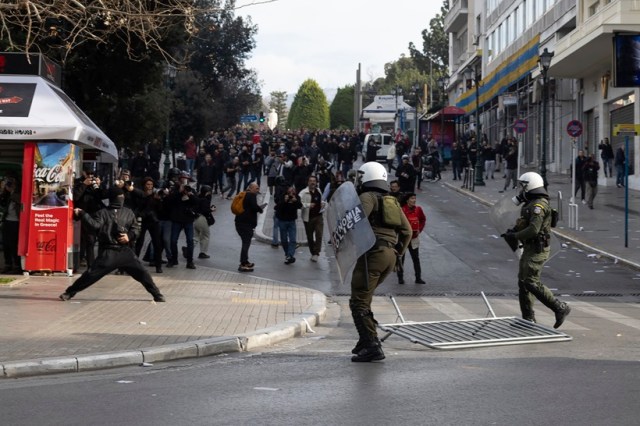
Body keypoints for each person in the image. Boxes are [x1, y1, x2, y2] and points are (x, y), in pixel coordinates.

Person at [350, 162, 412, 362]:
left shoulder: (367, 197)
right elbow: (408, 231)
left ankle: (372, 344)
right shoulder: (391, 200)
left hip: (373, 254)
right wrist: (398, 253)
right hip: (389, 255)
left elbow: (358, 220)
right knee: (364, 299)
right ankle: (365, 339)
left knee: (359, 301)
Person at [59, 188, 165, 302]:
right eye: (119, 196)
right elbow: (94, 225)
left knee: (142, 273)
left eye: (122, 196)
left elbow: (136, 229)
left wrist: (129, 236)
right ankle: (69, 292)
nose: (121, 198)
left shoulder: (128, 212)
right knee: (90, 275)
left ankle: (157, 294)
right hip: (108, 251)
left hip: (125, 251)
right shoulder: (103, 213)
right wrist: (83, 214)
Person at [502, 172, 571, 328]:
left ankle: (560, 308)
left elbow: (534, 229)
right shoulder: (531, 203)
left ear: (531, 185)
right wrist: (512, 232)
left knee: (531, 282)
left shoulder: (538, 206)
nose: (522, 190)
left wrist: (515, 236)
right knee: (523, 282)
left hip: (537, 248)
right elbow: (525, 223)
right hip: (529, 247)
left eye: (524, 186)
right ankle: (527, 319)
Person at [396, 193, 426, 285]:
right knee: (401, 258)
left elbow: (423, 219)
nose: (414, 200)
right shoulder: (402, 210)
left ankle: (418, 277)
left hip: (414, 238)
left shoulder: (418, 209)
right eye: (412, 198)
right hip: (403, 238)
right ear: (407, 200)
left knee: (416, 258)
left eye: (415, 198)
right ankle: (400, 278)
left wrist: (419, 230)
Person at [235, 181, 265, 272]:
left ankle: (245, 261)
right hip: (245, 225)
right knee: (246, 243)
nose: (258, 190)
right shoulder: (251, 196)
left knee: (246, 243)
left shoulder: (245, 195)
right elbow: (254, 207)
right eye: (256, 188)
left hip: (241, 223)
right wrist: (260, 209)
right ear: (251, 188)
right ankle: (243, 263)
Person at [299, 175, 325, 262]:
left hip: (318, 216)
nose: (312, 182)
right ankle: (313, 252)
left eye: (314, 181)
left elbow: (321, 200)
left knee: (319, 234)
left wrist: (322, 204)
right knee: (310, 237)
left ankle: (317, 253)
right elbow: (299, 204)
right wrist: (308, 205)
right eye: (311, 181)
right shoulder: (303, 192)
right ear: (308, 182)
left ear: (316, 182)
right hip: (308, 218)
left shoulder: (319, 191)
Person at [274, 185, 302, 264]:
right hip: (282, 221)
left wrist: (295, 201)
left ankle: (290, 255)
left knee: (293, 239)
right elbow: (277, 207)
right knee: (284, 240)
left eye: (293, 191)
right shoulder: (283, 196)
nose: (291, 193)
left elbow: (300, 206)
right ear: (287, 191)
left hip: (292, 221)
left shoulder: (296, 197)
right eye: (290, 191)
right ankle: (288, 254)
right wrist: (284, 201)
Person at [0, 176, 21, 273]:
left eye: (10, 183)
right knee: (6, 244)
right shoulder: (7, 194)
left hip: (15, 222)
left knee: (13, 244)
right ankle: (8, 264)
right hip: (7, 221)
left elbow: (19, 201)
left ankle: (16, 265)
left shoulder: (17, 194)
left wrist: (12, 191)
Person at [193, 185, 216, 259]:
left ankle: (189, 249)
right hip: (201, 218)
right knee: (205, 235)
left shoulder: (197, 197)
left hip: (195, 218)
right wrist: (211, 209)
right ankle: (203, 252)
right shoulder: (205, 200)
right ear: (207, 192)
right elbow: (205, 210)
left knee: (196, 236)